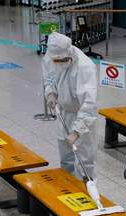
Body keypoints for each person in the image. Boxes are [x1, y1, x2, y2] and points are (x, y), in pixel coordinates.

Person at [42, 32, 98, 181]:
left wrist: (77, 131)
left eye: (63, 60)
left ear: (69, 52)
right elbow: (48, 77)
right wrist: (51, 93)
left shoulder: (85, 67)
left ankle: (86, 195)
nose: (59, 63)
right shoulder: (51, 56)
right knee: (66, 159)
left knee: (84, 162)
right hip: (64, 114)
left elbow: (89, 104)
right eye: (56, 60)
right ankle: (67, 192)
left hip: (82, 117)